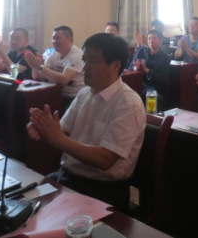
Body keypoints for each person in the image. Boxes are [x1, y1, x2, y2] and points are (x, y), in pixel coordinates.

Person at [27, 33, 146, 210]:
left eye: (92, 62)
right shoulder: (85, 93)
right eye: (84, 61)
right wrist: (44, 128)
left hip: (101, 191)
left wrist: (58, 138)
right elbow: (63, 131)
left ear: (115, 65)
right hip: (68, 178)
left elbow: (105, 159)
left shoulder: (128, 104)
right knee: (23, 208)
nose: (84, 68)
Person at [25, 25, 85, 112]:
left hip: (74, 98)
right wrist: (35, 67)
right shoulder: (54, 54)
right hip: (55, 94)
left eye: (57, 38)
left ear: (69, 39)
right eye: (53, 38)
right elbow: (39, 77)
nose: (54, 41)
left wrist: (40, 67)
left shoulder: (77, 55)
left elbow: (64, 80)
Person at [129, 29, 171, 101]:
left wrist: (147, 70)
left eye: (154, 38)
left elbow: (163, 78)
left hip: (154, 86)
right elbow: (129, 68)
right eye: (149, 38)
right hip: (138, 83)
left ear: (161, 40)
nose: (151, 41)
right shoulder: (141, 51)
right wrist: (135, 68)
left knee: (154, 98)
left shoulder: (165, 57)